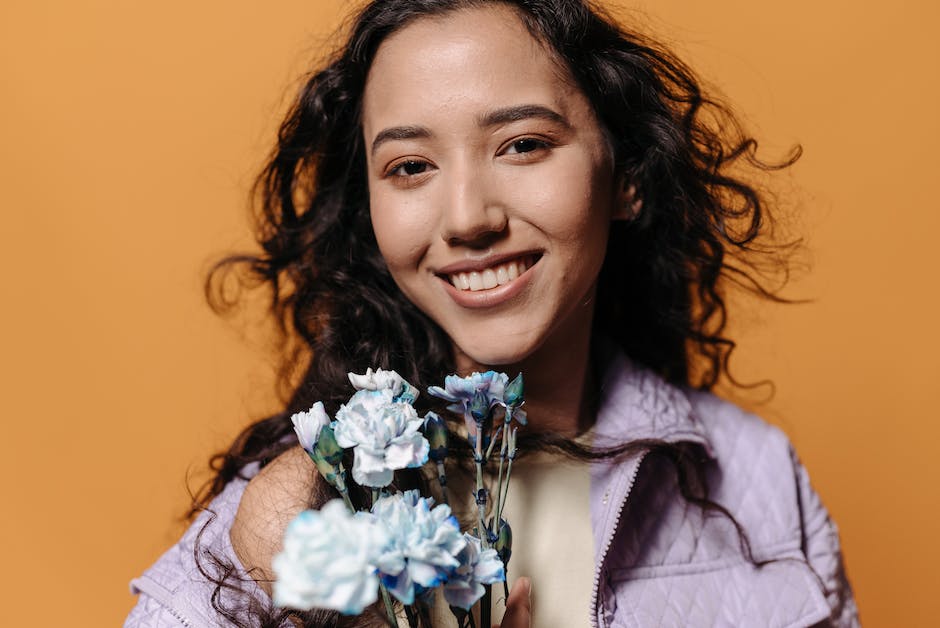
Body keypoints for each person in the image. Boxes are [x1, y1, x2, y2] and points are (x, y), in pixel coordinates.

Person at [126, 1, 859, 626]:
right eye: (410, 166)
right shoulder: (298, 508)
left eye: (523, 145)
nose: (468, 217)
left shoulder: (755, 476)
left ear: (627, 177)